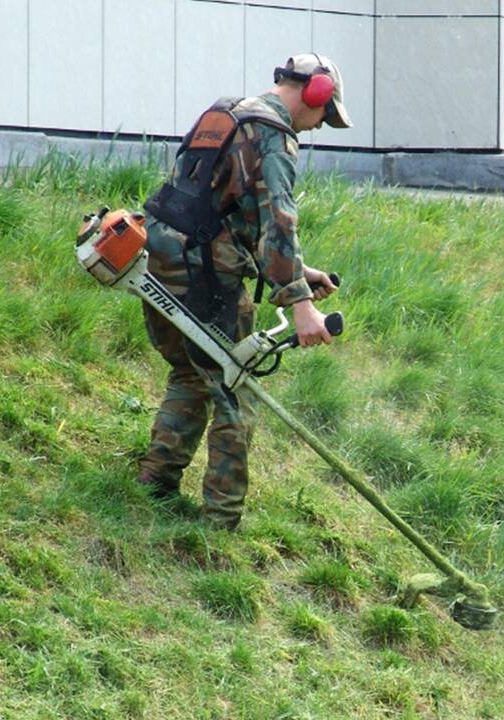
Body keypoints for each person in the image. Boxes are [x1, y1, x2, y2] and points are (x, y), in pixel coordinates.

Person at [136, 53, 352, 530]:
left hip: (157, 260)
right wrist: (302, 310)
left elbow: (220, 210)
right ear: (314, 93)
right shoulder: (274, 138)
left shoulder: (225, 112)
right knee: (236, 389)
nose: (319, 125)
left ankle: (154, 482)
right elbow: (278, 224)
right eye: (325, 113)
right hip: (205, 278)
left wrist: (300, 273)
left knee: (192, 375)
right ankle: (221, 523)